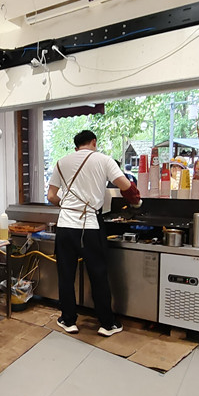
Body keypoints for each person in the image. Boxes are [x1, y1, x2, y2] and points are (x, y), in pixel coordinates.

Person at [48, 130, 142, 337]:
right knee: (98, 275)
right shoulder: (104, 160)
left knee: (66, 275)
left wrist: (67, 205)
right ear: (94, 142)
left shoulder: (61, 163)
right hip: (89, 226)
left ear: (76, 147)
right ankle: (107, 324)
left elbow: (51, 196)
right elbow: (126, 186)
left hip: (65, 226)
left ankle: (68, 320)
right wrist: (136, 202)